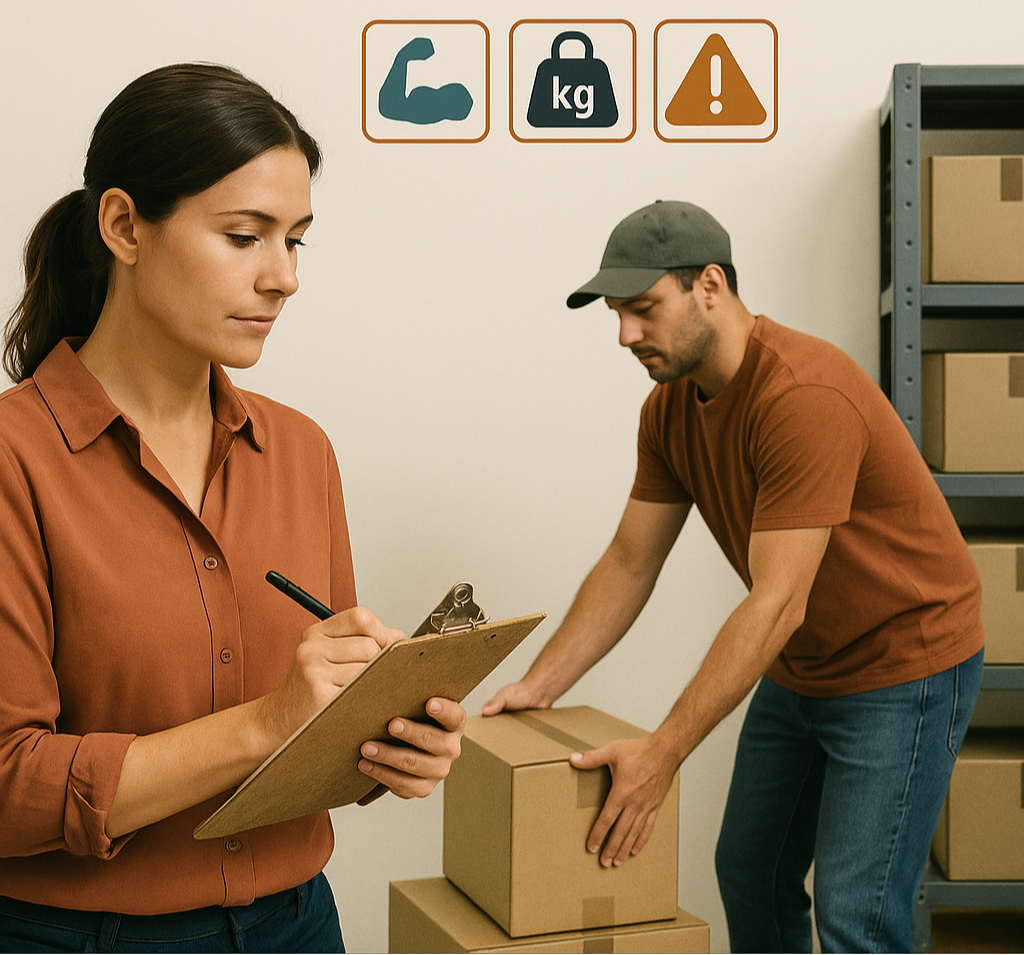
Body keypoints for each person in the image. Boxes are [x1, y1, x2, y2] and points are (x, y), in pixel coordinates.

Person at [0, 63, 465, 953]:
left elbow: (307, 733)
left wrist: (383, 739)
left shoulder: (302, 451)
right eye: (246, 236)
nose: (284, 277)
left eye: (297, 240)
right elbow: (8, 783)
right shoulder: (15, 460)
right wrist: (269, 719)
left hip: (300, 924)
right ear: (124, 226)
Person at [484, 200, 984, 953]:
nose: (625, 334)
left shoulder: (802, 397)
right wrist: (542, 683)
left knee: (856, 915)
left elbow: (778, 600)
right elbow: (630, 561)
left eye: (644, 308)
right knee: (750, 870)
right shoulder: (669, 410)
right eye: (617, 313)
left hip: (901, 665)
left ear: (709, 285)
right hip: (806, 660)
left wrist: (661, 754)